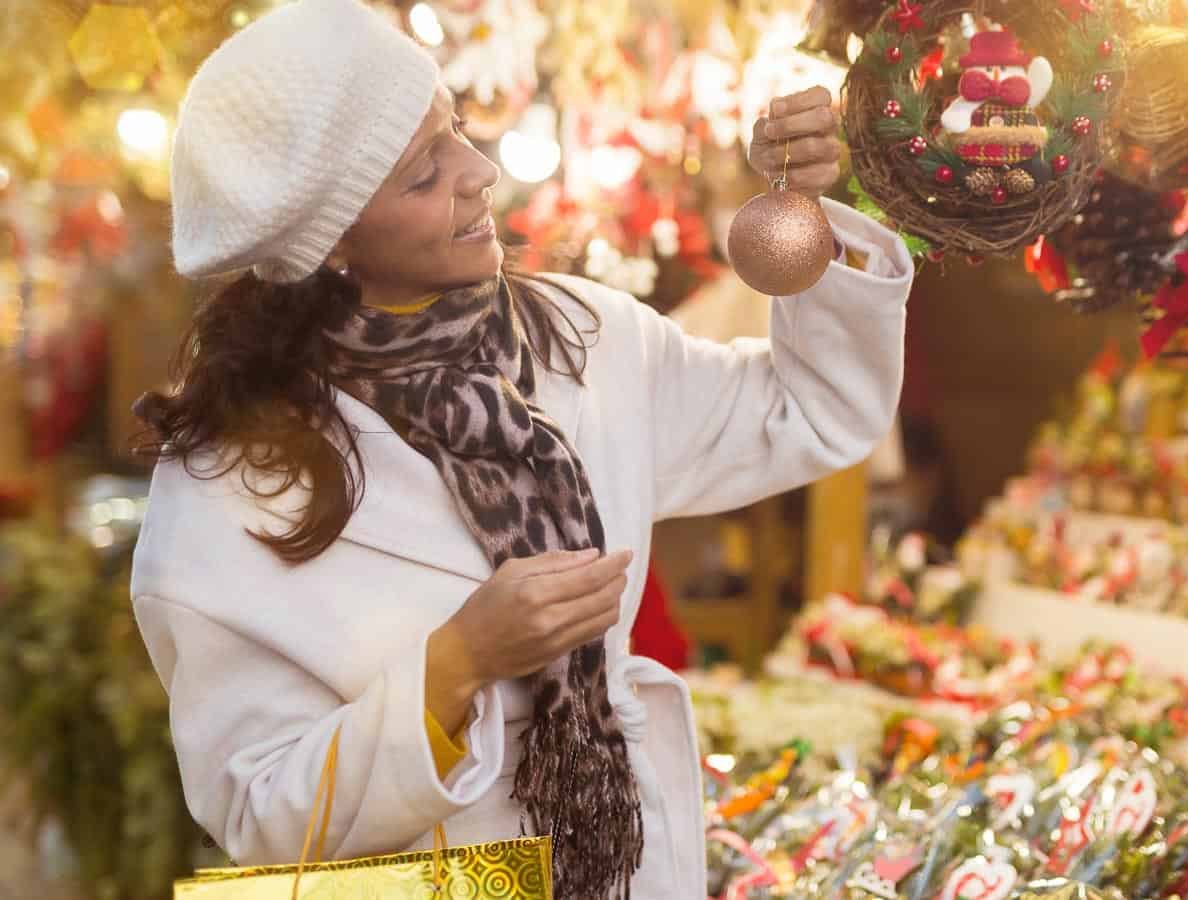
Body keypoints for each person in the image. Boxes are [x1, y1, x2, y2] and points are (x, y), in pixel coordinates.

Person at [126, 0, 911, 896]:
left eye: (455, 128)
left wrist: (811, 211)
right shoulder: (227, 487)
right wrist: (458, 662)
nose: (481, 171)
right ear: (331, 242)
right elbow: (260, 812)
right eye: (426, 174)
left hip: (627, 862)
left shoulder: (585, 336)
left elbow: (814, 412)